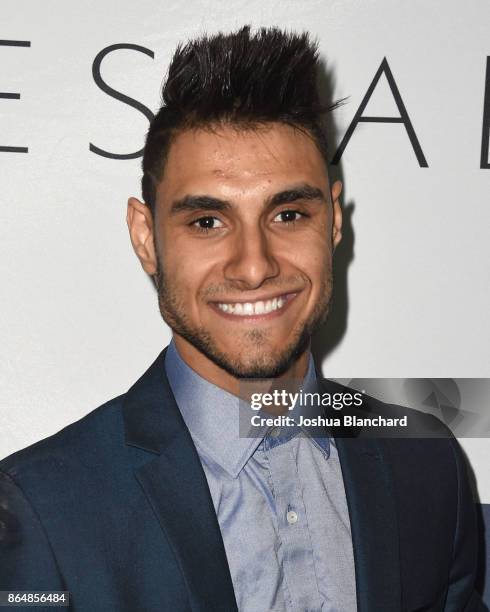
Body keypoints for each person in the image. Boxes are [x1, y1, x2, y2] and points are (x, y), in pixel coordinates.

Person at [0, 26, 485, 612]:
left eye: (287, 214)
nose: (254, 267)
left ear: (333, 220)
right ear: (146, 237)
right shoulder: (42, 509)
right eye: (207, 222)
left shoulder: (427, 464)